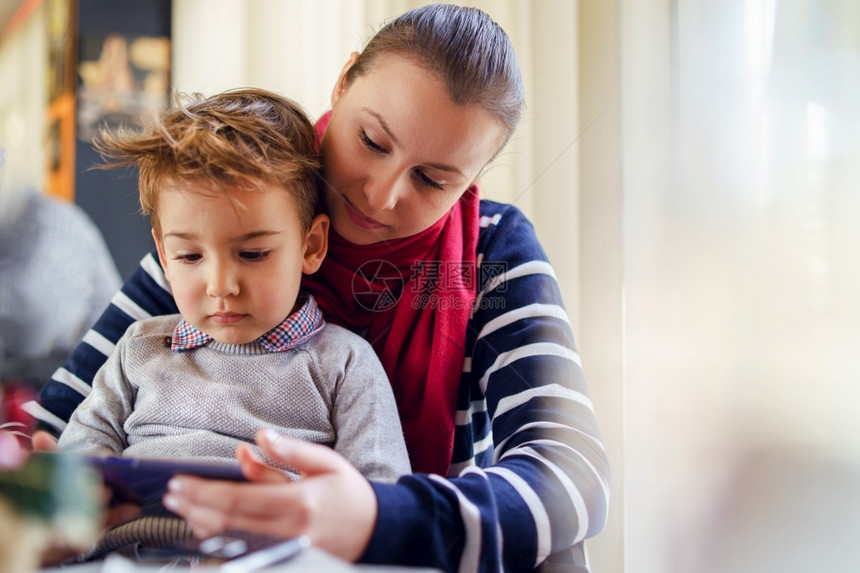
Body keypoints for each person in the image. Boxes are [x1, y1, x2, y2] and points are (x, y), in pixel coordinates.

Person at [28, 5, 610, 572]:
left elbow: (571, 477)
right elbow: (50, 424)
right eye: (373, 142)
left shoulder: (490, 252)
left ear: (473, 176)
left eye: (433, 179)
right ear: (342, 81)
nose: (380, 196)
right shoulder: (234, 202)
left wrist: (380, 517)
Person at [57, 88, 409, 489]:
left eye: (254, 253)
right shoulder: (138, 347)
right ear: (164, 256)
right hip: (135, 544)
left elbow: (383, 495)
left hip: (279, 546)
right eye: (190, 257)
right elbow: (80, 453)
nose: (221, 286)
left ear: (310, 246)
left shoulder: (343, 364)